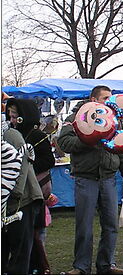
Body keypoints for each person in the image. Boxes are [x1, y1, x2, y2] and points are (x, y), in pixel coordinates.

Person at [57, 85, 123, 275]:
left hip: (108, 178)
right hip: (86, 178)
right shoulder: (76, 118)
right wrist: (88, 137)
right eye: (104, 98)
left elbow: (121, 147)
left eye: (110, 98)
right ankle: (81, 266)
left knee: (111, 224)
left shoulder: (115, 119)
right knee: (84, 225)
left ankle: (106, 264)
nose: (109, 102)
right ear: (93, 99)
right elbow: (64, 143)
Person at [5, 98, 55, 274]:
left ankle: (38, 266)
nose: (12, 120)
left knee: (32, 234)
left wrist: (27, 167)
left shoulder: (37, 136)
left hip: (31, 192)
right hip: (11, 192)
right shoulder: (8, 135)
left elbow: (49, 160)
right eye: (10, 116)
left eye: (15, 116)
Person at [2, 111, 44, 275]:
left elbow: (22, 165)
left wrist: (15, 194)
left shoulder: (10, 135)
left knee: (20, 251)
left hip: (21, 201)